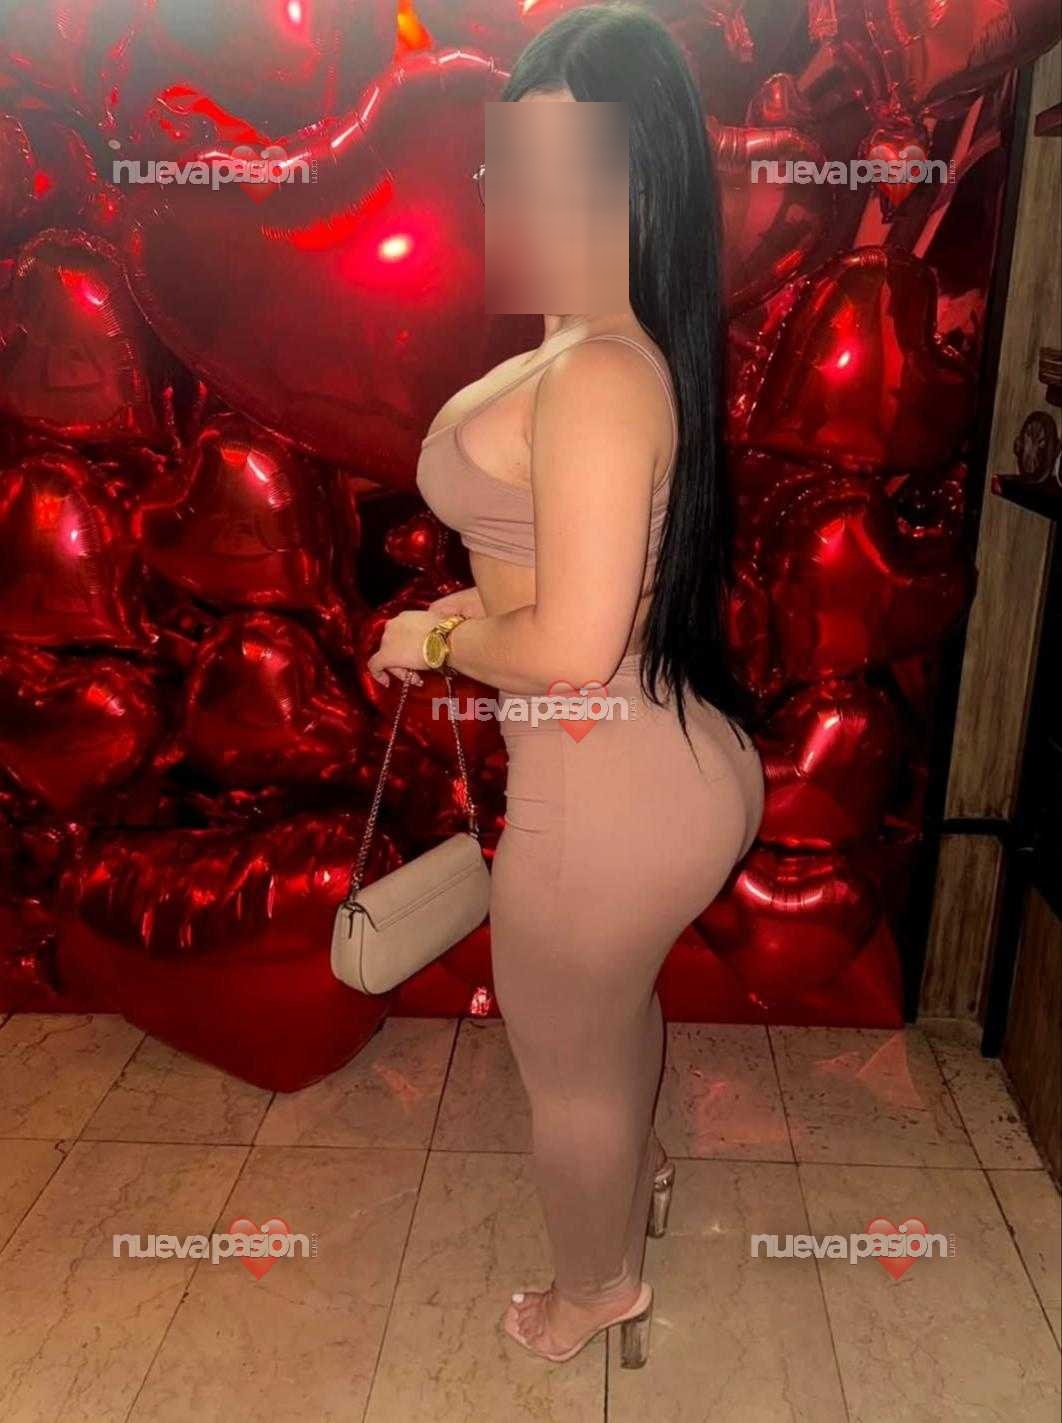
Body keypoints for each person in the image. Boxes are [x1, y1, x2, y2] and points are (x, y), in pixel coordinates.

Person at [367, 2, 764, 1368]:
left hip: (609, 793)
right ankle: (631, 1187)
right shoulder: (584, 342)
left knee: (563, 1071)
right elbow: (564, 575)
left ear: (637, 183)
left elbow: (573, 647)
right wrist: (463, 612)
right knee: (608, 1024)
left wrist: (441, 645)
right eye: (508, 167)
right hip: (645, 761)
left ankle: (595, 1290)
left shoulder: (596, 372)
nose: (520, 202)